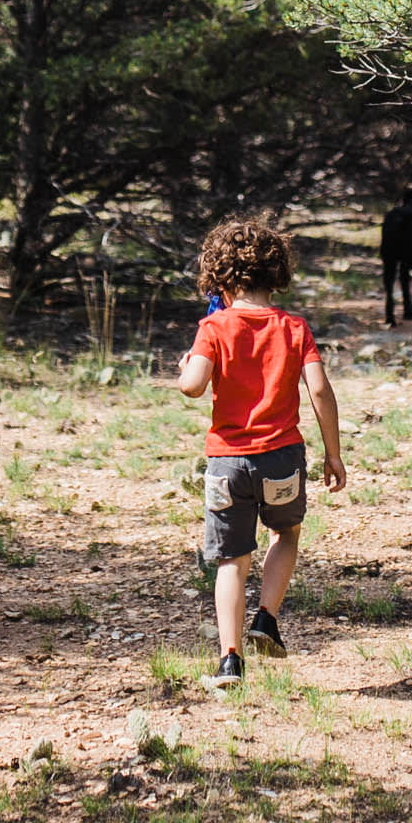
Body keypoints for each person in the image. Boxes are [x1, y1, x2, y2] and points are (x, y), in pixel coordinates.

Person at [176, 214, 345, 687]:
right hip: (282, 456)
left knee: (232, 560)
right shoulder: (294, 327)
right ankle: (266, 618)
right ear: (278, 274)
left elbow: (192, 387)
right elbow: (320, 391)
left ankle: (230, 660)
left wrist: (186, 364)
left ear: (221, 278)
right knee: (285, 534)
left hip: (227, 460)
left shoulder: (214, 327)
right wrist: (333, 453)